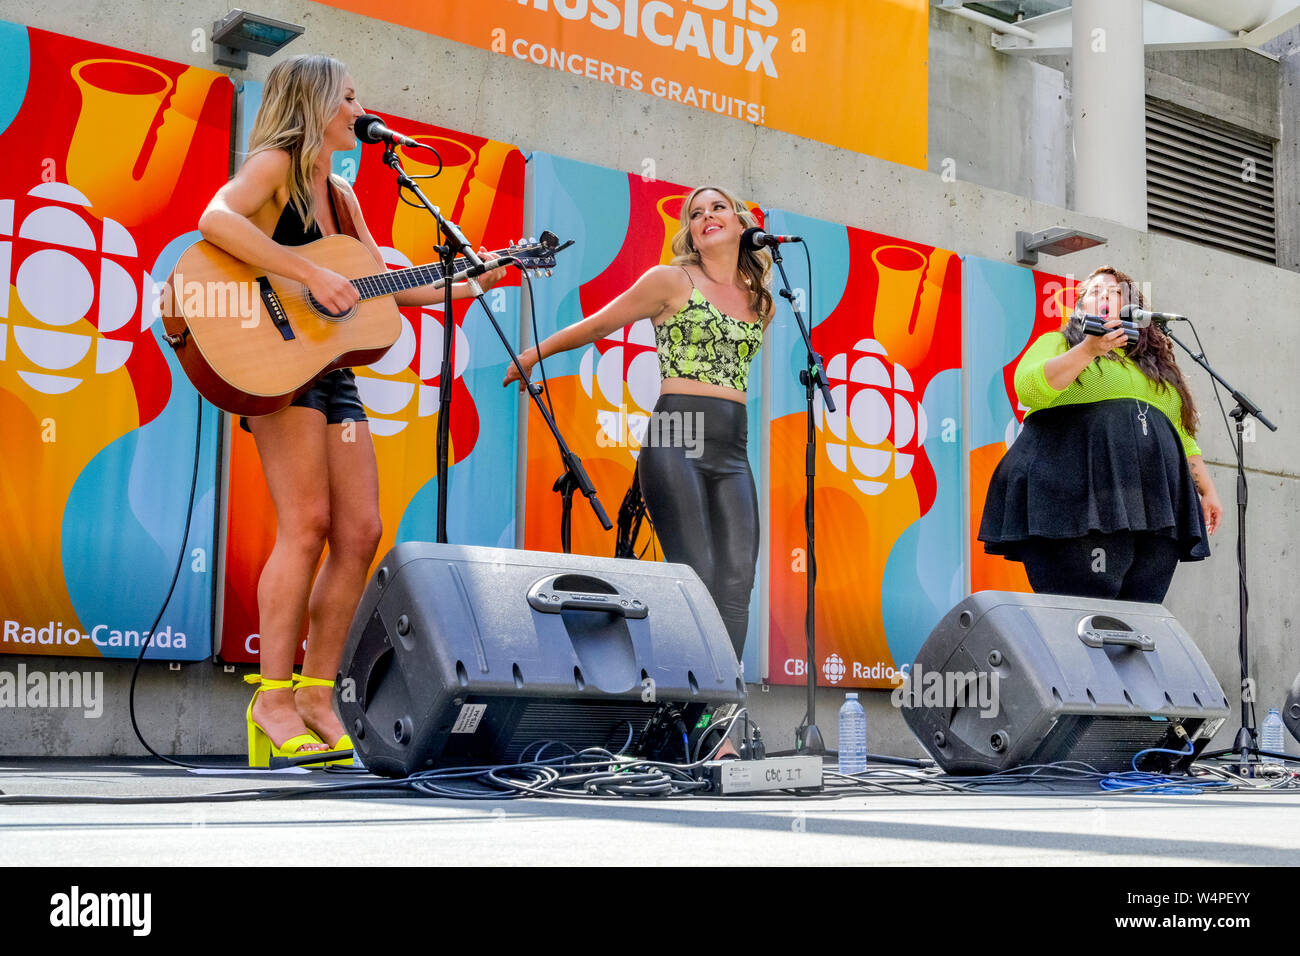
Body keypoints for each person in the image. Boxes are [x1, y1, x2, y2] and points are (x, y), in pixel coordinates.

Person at [198, 54, 501, 765]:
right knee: (304, 525)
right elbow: (215, 219)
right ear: (313, 102)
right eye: (349, 97)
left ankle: (315, 691)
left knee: (360, 532)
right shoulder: (275, 164)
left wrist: (476, 275)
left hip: (332, 370)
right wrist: (306, 270)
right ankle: (269, 699)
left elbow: (381, 287)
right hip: (276, 365)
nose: (359, 110)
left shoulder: (344, 196)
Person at [505, 186, 771, 657]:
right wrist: (532, 353)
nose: (706, 216)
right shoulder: (670, 280)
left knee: (737, 580)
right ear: (689, 230)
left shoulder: (758, 300)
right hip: (678, 429)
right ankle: (697, 710)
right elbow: (598, 325)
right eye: (696, 213)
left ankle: (724, 711)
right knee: (699, 576)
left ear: (741, 222)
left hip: (732, 445)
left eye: (718, 208)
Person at [979, 266, 1223, 603]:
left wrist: (1206, 489)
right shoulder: (1060, 343)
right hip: (1076, 495)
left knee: (1142, 607)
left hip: (1149, 504)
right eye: (1093, 292)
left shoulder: (1157, 365)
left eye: (1113, 291)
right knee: (1088, 602)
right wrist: (1088, 350)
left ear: (1134, 306)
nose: (1103, 295)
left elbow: (1180, 431)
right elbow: (1028, 389)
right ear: (1081, 308)